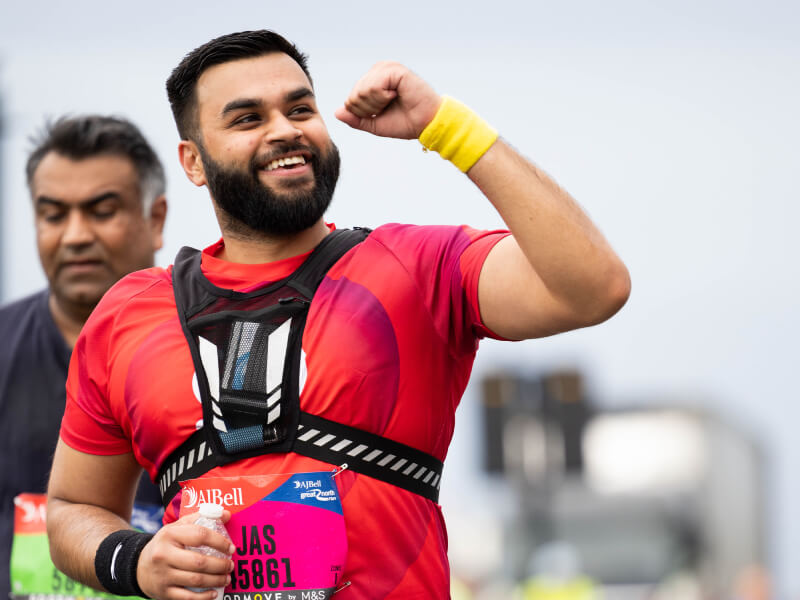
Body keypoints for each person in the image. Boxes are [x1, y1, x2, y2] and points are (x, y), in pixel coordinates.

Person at [46, 30, 631, 600]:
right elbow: (73, 509)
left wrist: (447, 127)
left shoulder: (415, 267)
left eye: (300, 108)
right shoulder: (127, 313)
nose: (284, 130)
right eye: (248, 119)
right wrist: (139, 560)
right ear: (193, 162)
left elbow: (593, 288)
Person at [0, 115, 168, 598]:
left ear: (155, 219)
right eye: (53, 214)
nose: (74, 235)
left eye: (101, 210)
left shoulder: (211, 351)